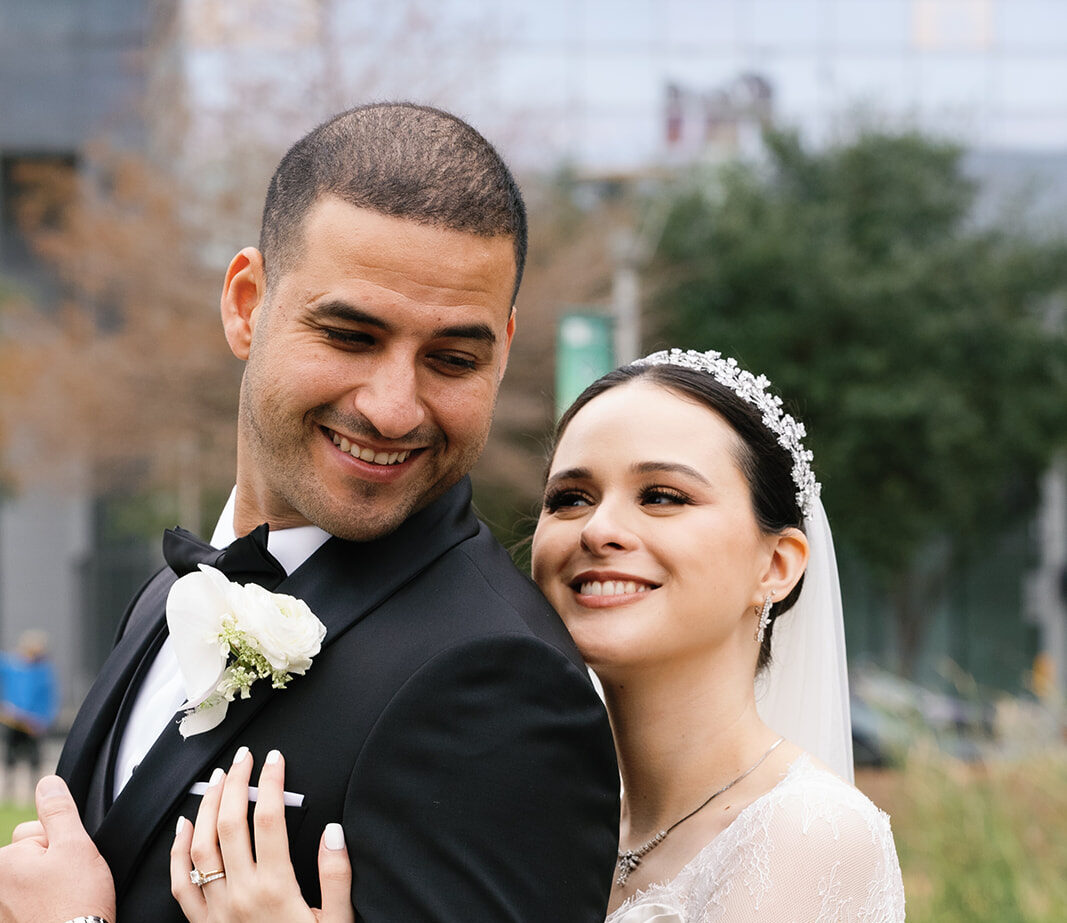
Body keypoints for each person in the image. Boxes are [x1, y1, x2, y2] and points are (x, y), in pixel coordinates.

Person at [0, 102, 620, 922]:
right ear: (245, 303)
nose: (393, 409)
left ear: (501, 352)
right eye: (350, 336)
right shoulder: (164, 597)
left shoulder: (501, 685)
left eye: (451, 358)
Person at [168, 347, 906, 922]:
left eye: (662, 496)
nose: (600, 530)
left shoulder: (810, 835)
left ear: (776, 565)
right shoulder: (537, 814)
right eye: (571, 497)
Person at [0, 630, 58, 801]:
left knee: (34, 759)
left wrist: (43, 720)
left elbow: (49, 698)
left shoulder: (44, 672)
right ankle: (9, 792)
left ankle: (35, 792)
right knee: (10, 758)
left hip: (33, 724)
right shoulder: (14, 666)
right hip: (13, 721)